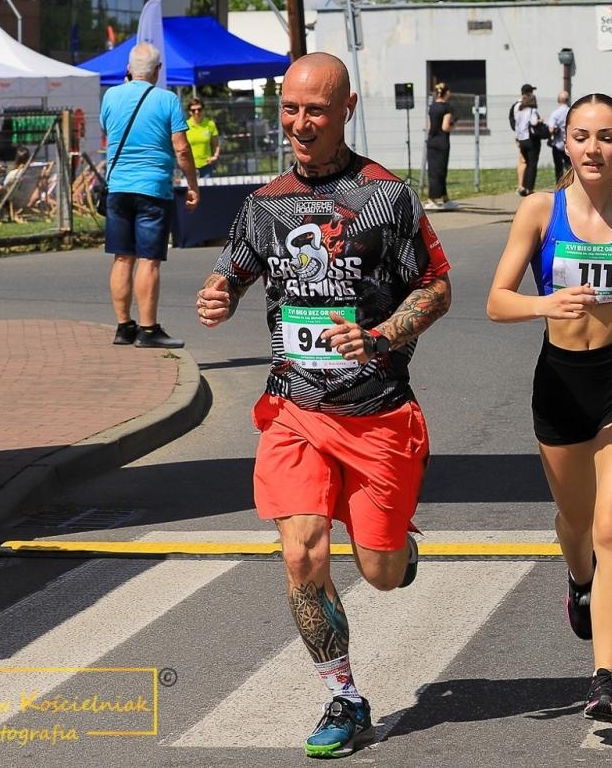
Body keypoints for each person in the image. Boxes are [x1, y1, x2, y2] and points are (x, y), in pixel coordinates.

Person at [196, 52, 453, 758]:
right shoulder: (265, 202)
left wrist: (377, 336)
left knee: (381, 573)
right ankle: (343, 694)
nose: (299, 124)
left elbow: (436, 289)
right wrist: (220, 294)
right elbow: (235, 269)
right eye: (289, 109)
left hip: (376, 412)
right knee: (302, 553)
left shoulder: (385, 197)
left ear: (346, 109)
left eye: (315, 110)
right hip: (294, 407)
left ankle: (398, 547)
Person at [486, 93, 612, 726]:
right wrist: (546, 305)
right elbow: (496, 301)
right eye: (581, 136)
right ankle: (579, 582)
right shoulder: (539, 213)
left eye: (606, 137)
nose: (594, 148)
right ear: (564, 144)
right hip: (562, 383)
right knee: (575, 524)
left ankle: (606, 677)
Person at [100, 43, 198, 349]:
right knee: (149, 260)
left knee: (122, 257)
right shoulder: (167, 99)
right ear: (158, 71)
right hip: (153, 189)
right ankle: (148, 328)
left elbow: (108, 130)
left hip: (117, 188)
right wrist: (193, 185)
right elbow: (181, 148)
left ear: (128, 69)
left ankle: (123, 326)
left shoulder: (110, 96)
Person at [424, 82, 455, 210]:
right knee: (441, 171)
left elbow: (429, 126)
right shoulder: (446, 108)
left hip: (431, 141)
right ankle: (431, 199)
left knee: (433, 170)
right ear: (446, 92)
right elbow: (445, 127)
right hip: (442, 142)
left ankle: (445, 198)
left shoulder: (432, 106)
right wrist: (454, 125)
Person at [511, 84, 543, 196]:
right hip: (530, 139)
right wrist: (540, 121)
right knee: (532, 164)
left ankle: (523, 186)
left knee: (525, 162)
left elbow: (516, 124)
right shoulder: (531, 111)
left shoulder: (518, 109)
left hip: (521, 139)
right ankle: (529, 188)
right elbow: (534, 122)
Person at [185, 97, 221, 178]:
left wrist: (215, 156)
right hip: (190, 166)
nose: (197, 112)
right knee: (191, 190)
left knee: (206, 190)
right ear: (190, 112)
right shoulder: (185, 125)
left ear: (203, 110)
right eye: (193, 110)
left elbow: (216, 144)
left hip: (206, 166)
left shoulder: (210, 124)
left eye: (199, 109)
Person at [548, 89, 572, 184]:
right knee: (570, 166)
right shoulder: (571, 111)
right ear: (568, 100)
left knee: (558, 167)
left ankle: (559, 185)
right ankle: (571, 183)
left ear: (558, 100)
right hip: (569, 143)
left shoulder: (555, 113)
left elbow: (551, 129)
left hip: (558, 143)